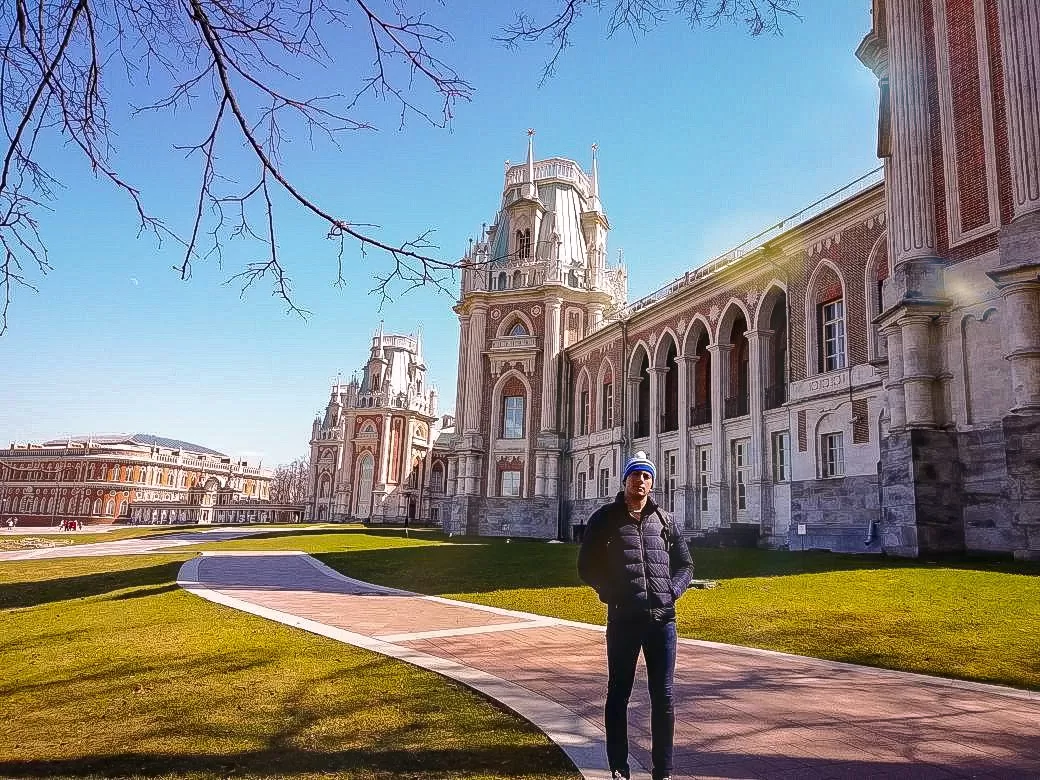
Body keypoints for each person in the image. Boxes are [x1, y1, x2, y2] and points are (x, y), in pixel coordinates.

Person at [578, 451, 694, 780]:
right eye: (635, 475)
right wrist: (610, 592)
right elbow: (586, 567)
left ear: (652, 483)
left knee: (664, 696)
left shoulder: (666, 521)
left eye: (646, 476)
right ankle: (619, 766)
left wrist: (673, 590)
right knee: (618, 693)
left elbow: (686, 564)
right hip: (624, 620)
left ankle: (664, 770)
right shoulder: (604, 519)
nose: (640, 481)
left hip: (662, 622)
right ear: (625, 479)